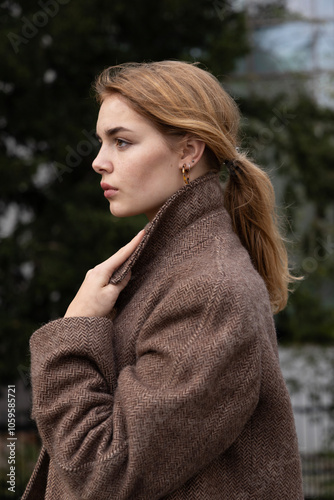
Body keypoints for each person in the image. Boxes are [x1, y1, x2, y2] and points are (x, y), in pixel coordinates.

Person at [23, 61, 303, 499]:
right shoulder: (173, 269)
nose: (98, 162)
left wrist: (74, 331)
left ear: (188, 152)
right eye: (101, 142)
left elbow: (104, 472)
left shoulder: (208, 292)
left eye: (122, 142)